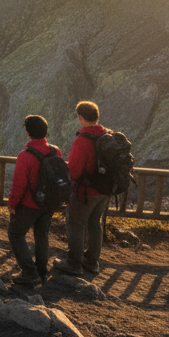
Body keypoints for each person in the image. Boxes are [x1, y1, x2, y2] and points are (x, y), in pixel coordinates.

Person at [54, 100, 111, 276]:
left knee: (75, 224)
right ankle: (92, 262)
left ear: (80, 118)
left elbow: (75, 171)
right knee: (94, 223)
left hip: (86, 192)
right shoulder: (107, 136)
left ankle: (74, 263)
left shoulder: (82, 140)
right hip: (105, 190)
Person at [7, 114, 62, 288]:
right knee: (41, 235)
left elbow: (19, 185)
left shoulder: (25, 155)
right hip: (49, 203)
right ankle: (41, 272)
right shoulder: (55, 151)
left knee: (16, 233)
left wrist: (12, 204)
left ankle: (29, 272)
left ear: (28, 133)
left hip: (30, 204)